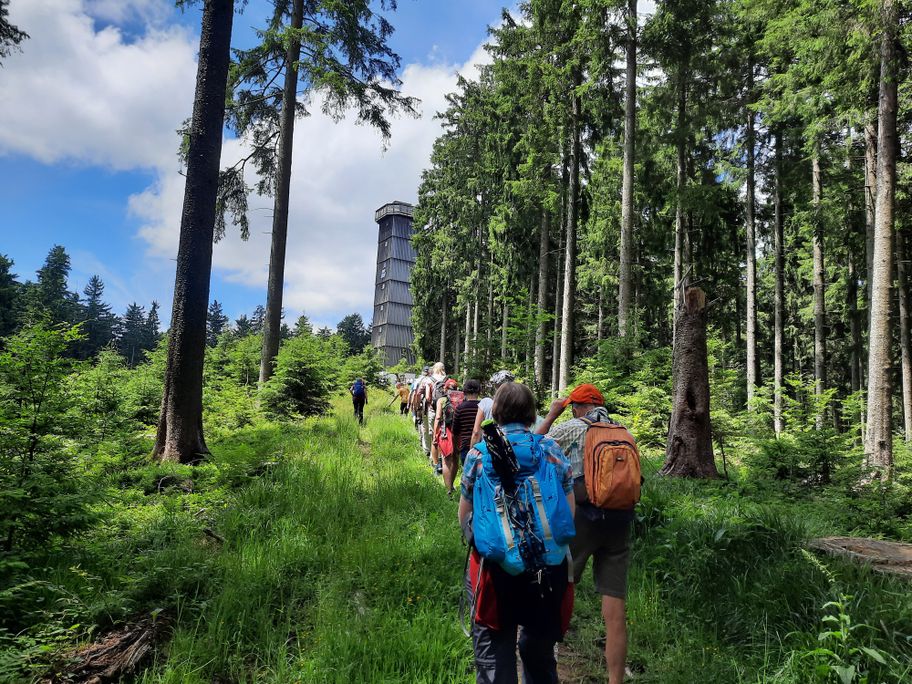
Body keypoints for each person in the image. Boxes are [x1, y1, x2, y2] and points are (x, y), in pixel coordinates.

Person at [459, 382, 575, 684]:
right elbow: (568, 513)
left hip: (494, 569)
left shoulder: (478, 455)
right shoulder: (550, 449)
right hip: (548, 569)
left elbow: (465, 516)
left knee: (494, 652)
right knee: (538, 648)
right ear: (531, 413)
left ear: (495, 412)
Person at [536, 383, 631, 684]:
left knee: (560, 586)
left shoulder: (572, 427)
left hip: (584, 517)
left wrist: (552, 414)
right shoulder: (623, 430)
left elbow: (533, 446)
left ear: (576, 407)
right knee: (615, 606)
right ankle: (615, 680)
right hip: (620, 520)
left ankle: (546, 662)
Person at [470, 370, 515, 447]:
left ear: (496, 386)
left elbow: (476, 432)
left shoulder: (485, 402)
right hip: (513, 446)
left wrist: (472, 452)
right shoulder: (517, 402)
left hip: (489, 448)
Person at [426, 361, 447, 470]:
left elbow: (428, 397)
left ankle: (434, 461)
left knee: (434, 435)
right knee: (443, 435)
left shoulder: (430, 379)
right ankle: (442, 459)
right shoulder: (447, 379)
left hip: (433, 410)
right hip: (446, 411)